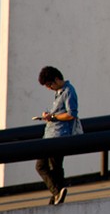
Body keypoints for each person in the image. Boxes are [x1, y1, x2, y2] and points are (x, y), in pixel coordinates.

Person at [34, 65, 80, 205]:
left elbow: (71, 114)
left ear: (56, 79)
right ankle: (57, 193)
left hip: (59, 135)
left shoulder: (68, 91)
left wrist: (53, 117)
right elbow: (60, 113)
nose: (49, 88)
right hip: (52, 134)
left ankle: (57, 192)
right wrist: (48, 115)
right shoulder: (59, 92)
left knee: (43, 166)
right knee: (54, 166)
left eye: (49, 84)